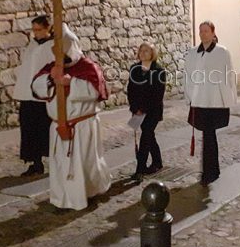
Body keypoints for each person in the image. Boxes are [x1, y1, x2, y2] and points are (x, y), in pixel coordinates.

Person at [32, 24, 112, 210]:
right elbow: (36, 86)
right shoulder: (51, 68)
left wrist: (71, 83)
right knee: (61, 164)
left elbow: (95, 91)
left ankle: (89, 192)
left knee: (85, 163)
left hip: (83, 126)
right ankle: (62, 198)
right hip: (59, 127)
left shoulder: (88, 67)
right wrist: (51, 79)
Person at [185, 21, 237, 186]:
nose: (203, 34)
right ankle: (211, 170)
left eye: (206, 31)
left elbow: (229, 76)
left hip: (214, 100)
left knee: (209, 135)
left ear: (213, 32)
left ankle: (210, 172)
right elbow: (188, 75)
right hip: (199, 100)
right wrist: (189, 97)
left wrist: (229, 99)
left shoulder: (222, 52)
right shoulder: (193, 52)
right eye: (201, 31)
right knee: (207, 135)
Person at [12, 15, 54, 176]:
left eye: (39, 30)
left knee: (44, 128)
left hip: (43, 94)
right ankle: (35, 162)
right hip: (27, 94)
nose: (35, 33)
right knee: (29, 128)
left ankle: (53, 160)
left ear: (47, 28)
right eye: (34, 30)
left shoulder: (52, 46)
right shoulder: (32, 44)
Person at [127, 42, 167, 181]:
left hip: (152, 111)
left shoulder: (159, 71)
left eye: (147, 51)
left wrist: (143, 109)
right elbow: (131, 90)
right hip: (138, 110)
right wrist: (134, 108)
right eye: (141, 50)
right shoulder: (134, 69)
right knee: (149, 136)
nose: (143, 53)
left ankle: (140, 169)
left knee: (146, 136)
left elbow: (158, 94)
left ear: (152, 53)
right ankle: (157, 162)